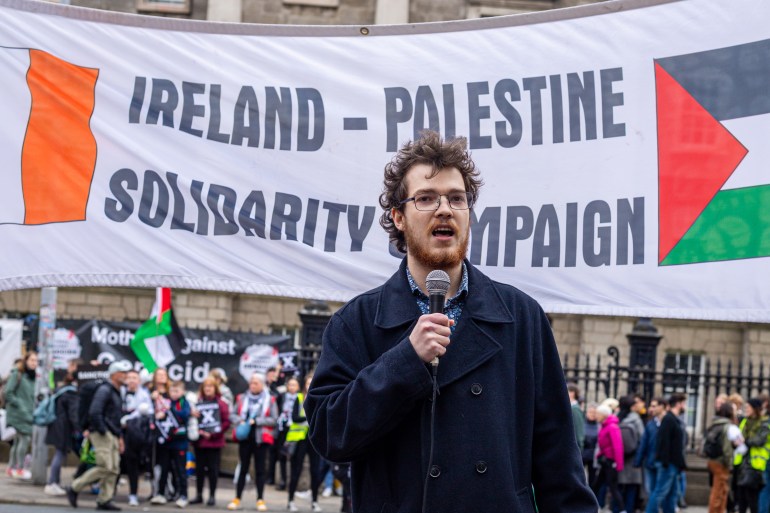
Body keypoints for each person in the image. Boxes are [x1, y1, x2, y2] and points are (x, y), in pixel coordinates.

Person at [304, 131, 598, 512]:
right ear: (398, 217)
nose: (445, 209)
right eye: (426, 198)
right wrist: (405, 361)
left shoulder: (521, 318)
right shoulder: (356, 321)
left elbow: (560, 463)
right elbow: (329, 435)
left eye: (457, 199)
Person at [66, 359, 132, 511]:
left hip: (113, 434)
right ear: (114, 374)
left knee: (114, 468)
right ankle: (75, 487)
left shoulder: (116, 391)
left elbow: (115, 416)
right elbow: (95, 412)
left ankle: (104, 500)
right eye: (122, 373)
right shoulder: (105, 390)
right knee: (105, 467)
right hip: (103, 434)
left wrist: (118, 436)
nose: (125, 376)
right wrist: (103, 431)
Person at [228, 373, 278, 512]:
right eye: (251, 382)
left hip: (260, 440)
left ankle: (260, 499)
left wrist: (257, 421)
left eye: (256, 383)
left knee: (260, 470)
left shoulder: (270, 400)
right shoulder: (241, 398)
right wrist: (241, 421)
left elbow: (274, 419)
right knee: (243, 469)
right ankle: (237, 498)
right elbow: (232, 415)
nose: (252, 385)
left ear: (262, 385)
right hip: (245, 439)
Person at [190, 376, 231, 506]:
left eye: (210, 386)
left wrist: (213, 433)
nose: (208, 389)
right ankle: (199, 494)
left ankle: (212, 495)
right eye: (205, 386)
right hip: (200, 442)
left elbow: (226, 422)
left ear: (215, 388)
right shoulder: (197, 403)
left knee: (213, 470)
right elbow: (191, 422)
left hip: (214, 442)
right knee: (199, 470)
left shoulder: (221, 403)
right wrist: (194, 420)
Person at [150, 380, 191, 508]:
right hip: (166, 443)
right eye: (172, 391)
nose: (174, 393)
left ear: (182, 392)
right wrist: (159, 415)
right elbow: (157, 415)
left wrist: (171, 410)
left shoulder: (184, 403)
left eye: (177, 391)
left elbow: (185, 415)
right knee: (164, 469)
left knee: (180, 470)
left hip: (180, 443)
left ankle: (183, 495)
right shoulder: (165, 402)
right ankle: (161, 494)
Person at [644, 393, 688, 513]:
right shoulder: (669, 419)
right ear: (678, 404)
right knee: (659, 492)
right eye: (684, 403)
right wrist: (665, 462)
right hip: (667, 464)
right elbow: (663, 442)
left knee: (672, 495)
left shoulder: (673, 419)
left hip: (672, 464)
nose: (685, 406)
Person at [286, 374, 323, 513]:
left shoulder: (319, 397)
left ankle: (314, 502)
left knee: (315, 471)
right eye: (307, 383)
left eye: (312, 383)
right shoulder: (299, 398)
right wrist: (310, 416)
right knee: (296, 470)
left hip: (314, 439)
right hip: (300, 438)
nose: (309, 386)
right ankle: (290, 501)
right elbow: (295, 417)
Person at [120, 369, 154, 507]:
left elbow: (148, 411)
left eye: (135, 377)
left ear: (139, 380)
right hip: (119, 433)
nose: (132, 380)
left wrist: (130, 419)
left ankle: (133, 494)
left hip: (135, 437)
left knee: (133, 467)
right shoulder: (120, 392)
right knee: (116, 466)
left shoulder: (144, 395)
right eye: (129, 377)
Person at [44, 372, 80, 496]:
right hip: (63, 428)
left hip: (56, 425)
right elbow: (73, 414)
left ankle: (55, 483)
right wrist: (79, 428)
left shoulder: (61, 390)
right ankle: (52, 483)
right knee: (60, 454)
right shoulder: (71, 393)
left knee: (60, 453)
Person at [4, 351, 38, 480]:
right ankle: (19, 468)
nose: (34, 363)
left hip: (27, 412)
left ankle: (11, 467)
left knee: (18, 441)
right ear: (26, 360)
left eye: (36, 361)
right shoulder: (17, 374)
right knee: (25, 439)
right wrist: (20, 405)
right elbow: (8, 393)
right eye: (32, 360)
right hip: (19, 414)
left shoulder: (33, 377)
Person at [735, 397, 767, 513]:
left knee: (753, 500)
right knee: (741, 500)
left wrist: (744, 441)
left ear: (755, 409)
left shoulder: (764, 423)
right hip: (742, 464)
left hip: (755, 466)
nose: (746, 409)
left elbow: (759, 441)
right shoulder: (744, 421)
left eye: (748, 407)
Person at [707, 402, 738, 513]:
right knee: (718, 492)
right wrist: (729, 464)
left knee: (722, 490)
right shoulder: (727, 426)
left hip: (713, 460)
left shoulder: (716, 424)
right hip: (721, 462)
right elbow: (727, 449)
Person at [595, 404, 626, 513]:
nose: (596, 416)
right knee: (597, 485)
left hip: (611, 462)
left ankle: (622, 510)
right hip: (605, 461)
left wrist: (618, 464)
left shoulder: (612, 427)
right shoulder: (604, 425)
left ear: (603, 415)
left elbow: (617, 446)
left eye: (598, 414)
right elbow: (605, 445)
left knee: (613, 487)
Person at [634, 396, 666, 498]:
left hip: (664, 463)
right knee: (650, 490)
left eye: (654, 406)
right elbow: (644, 443)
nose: (651, 409)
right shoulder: (650, 424)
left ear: (662, 407)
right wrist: (638, 460)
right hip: (650, 461)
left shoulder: (669, 422)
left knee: (660, 491)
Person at [617, 395, 645, 513]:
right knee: (632, 489)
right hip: (633, 458)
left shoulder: (616, 418)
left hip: (619, 458)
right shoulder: (636, 419)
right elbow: (642, 438)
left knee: (619, 488)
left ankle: (618, 509)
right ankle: (629, 509)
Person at [275, 376, 301, 491]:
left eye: (294, 385)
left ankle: (292, 481)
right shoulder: (282, 396)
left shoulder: (300, 398)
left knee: (294, 456)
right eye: (290, 385)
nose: (291, 387)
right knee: (282, 455)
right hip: (283, 428)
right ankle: (283, 479)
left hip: (295, 430)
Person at [583, 402, 600, 494]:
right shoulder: (582, 423)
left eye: (594, 412)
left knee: (593, 479)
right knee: (580, 477)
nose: (592, 415)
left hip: (594, 456)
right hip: (582, 454)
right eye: (590, 412)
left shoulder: (599, 426)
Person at [569, 383, 585, 452]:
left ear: (572, 393)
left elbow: (579, 429)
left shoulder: (575, 409)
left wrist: (580, 447)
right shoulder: (572, 407)